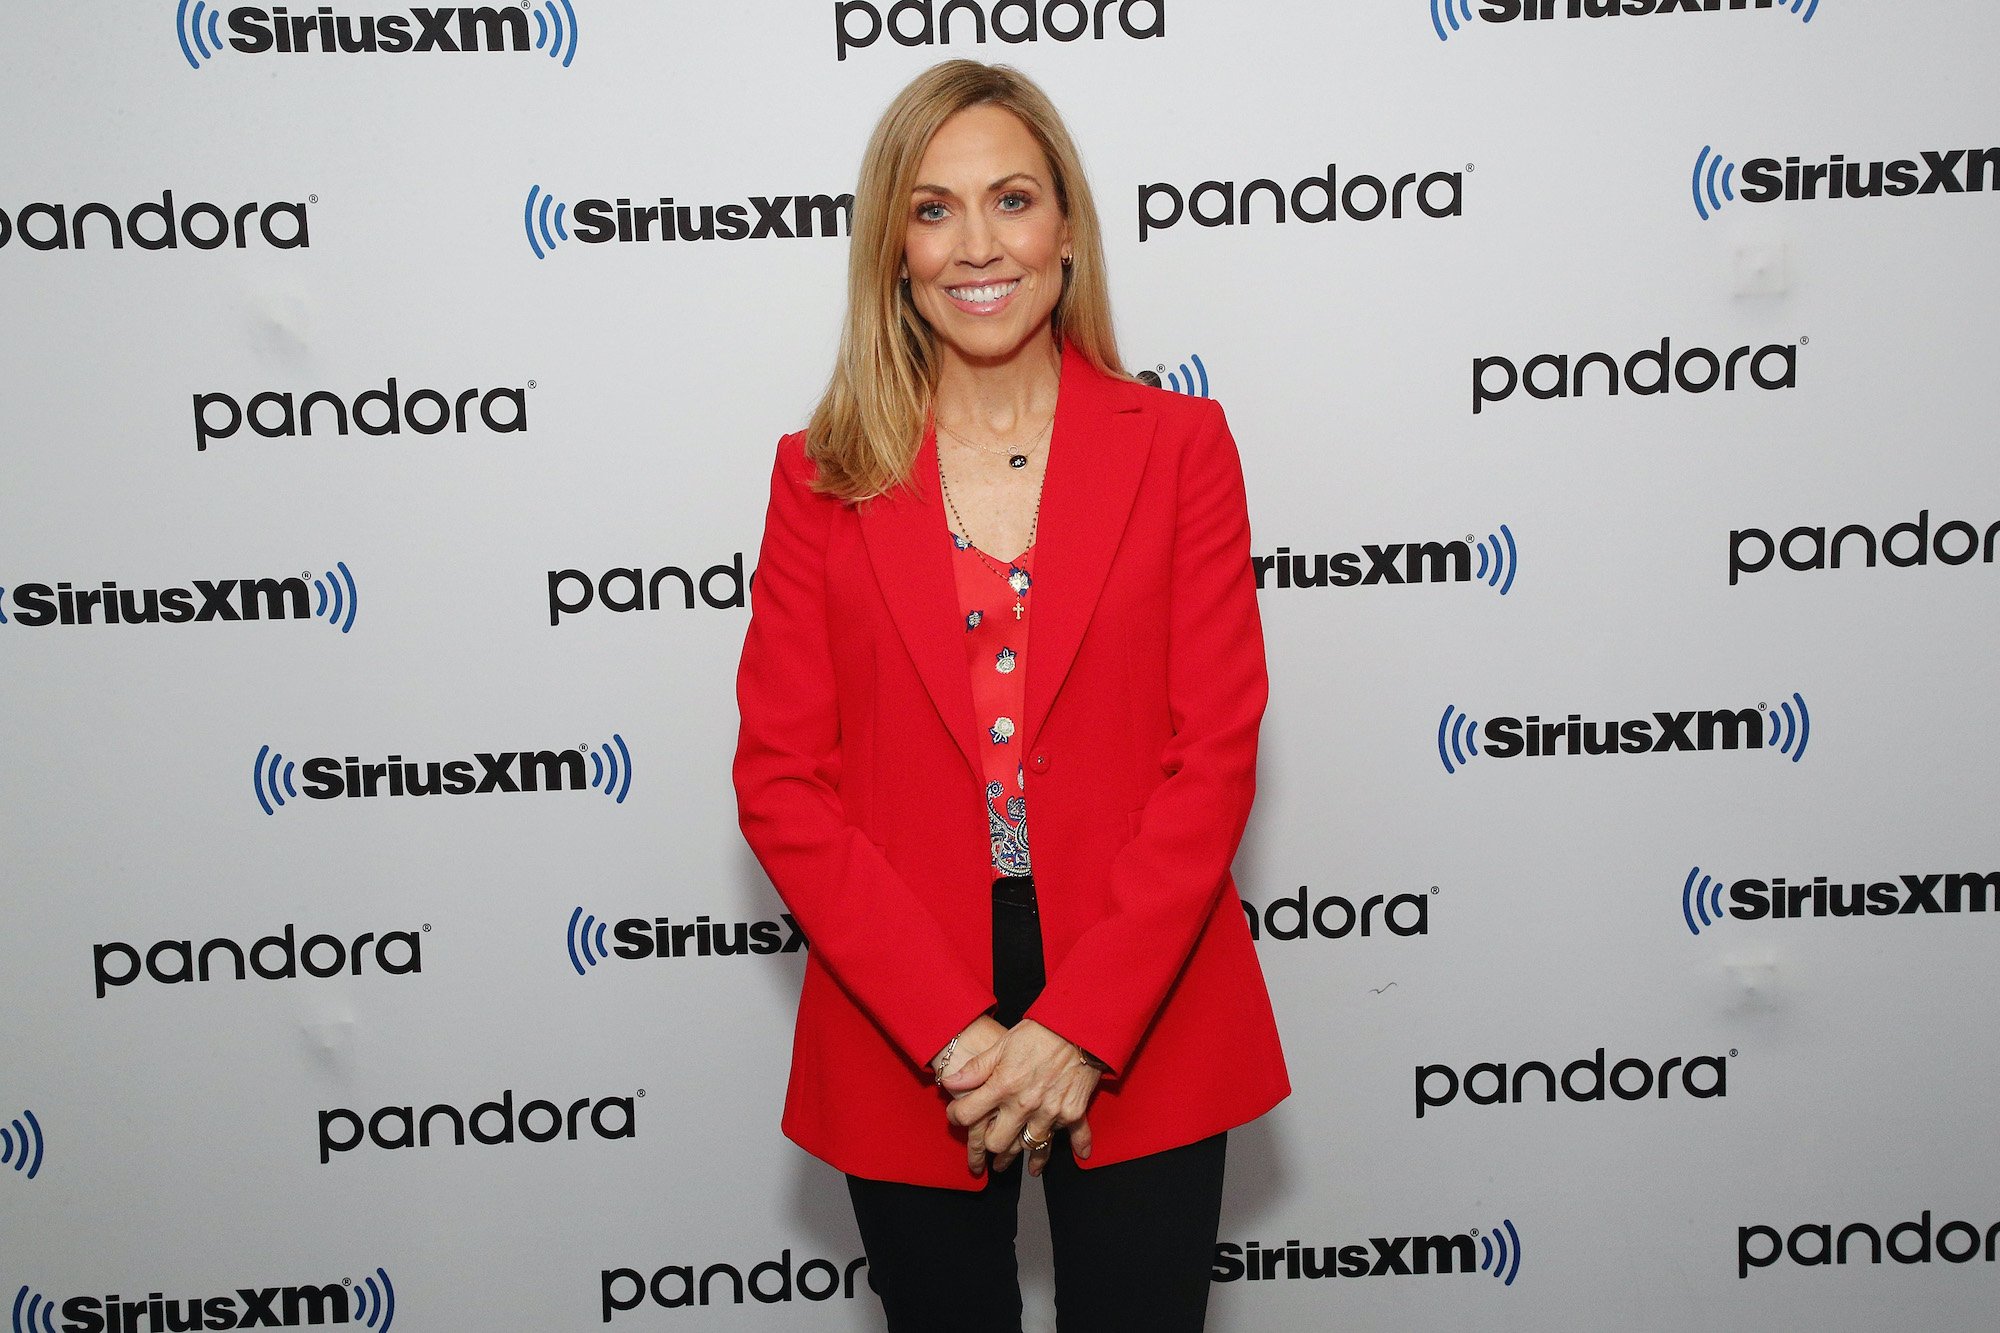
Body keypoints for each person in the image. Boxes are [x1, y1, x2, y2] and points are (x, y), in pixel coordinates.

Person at [733, 59, 1288, 1332]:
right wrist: (956, 1037)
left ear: (1068, 232)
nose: (975, 245)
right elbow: (779, 779)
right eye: (931, 210)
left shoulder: (1180, 448)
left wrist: (1077, 1029)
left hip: (1141, 984)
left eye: (1011, 199)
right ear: (891, 251)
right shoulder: (819, 477)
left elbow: (1211, 757)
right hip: (903, 1003)